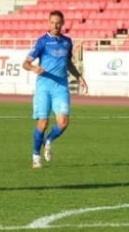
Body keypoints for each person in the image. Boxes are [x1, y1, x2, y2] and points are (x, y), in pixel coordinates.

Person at [23, 10, 89, 169]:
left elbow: (69, 63)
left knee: (63, 122)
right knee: (43, 123)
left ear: (62, 23)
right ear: (48, 23)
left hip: (61, 86)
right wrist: (34, 68)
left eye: (58, 23)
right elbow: (25, 63)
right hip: (44, 87)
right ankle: (36, 156)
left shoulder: (67, 42)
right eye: (52, 23)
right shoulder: (42, 42)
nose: (55, 26)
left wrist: (79, 77)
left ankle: (48, 140)